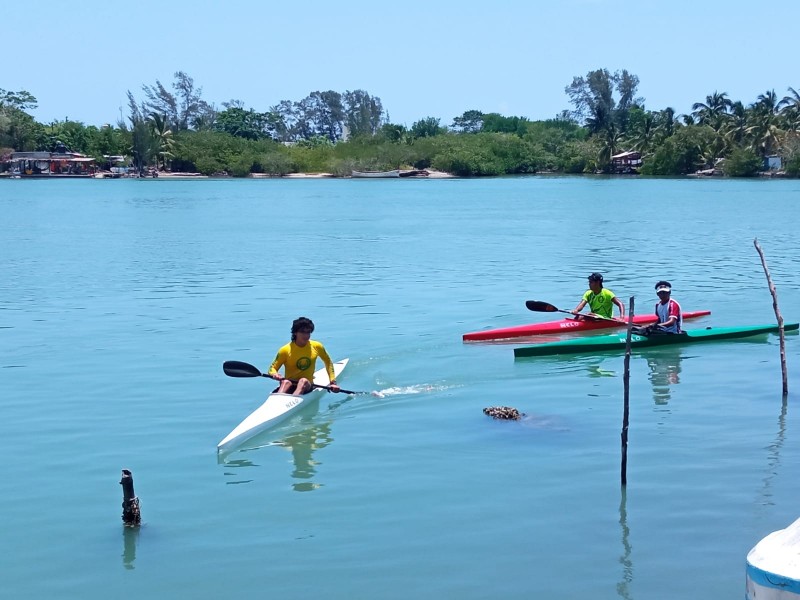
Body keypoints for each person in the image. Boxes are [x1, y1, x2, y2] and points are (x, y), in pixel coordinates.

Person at [268, 317, 340, 396]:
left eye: (308, 332)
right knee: (285, 382)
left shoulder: (317, 346)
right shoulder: (285, 350)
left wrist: (333, 382)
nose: (306, 335)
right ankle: (278, 399)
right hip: (290, 384)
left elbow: (328, 362)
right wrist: (275, 374)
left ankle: (293, 400)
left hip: (307, 385)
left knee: (303, 381)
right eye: (302, 332)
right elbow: (272, 368)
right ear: (295, 332)